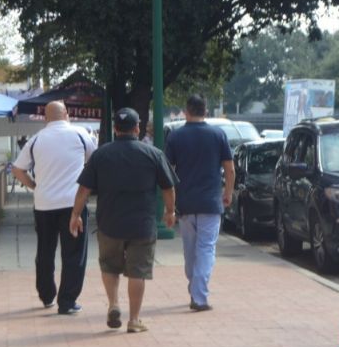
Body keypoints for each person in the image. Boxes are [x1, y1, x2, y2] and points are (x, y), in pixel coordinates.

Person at [69, 108, 177, 333]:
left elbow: (84, 189)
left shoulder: (101, 154)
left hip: (109, 222)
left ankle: (114, 304)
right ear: (137, 128)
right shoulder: (153, 154)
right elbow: (168, 187)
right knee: (138, 271)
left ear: (115, 129)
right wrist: (170, 211)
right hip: (142, 224)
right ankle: (134, 319)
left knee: (110, 265)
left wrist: (75, 215)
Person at [11, 101, 97, 315]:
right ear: (67, 114)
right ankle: (67, 301)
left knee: (45, 250)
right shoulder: (80, 134)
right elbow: (94, 162)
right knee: (74, 253)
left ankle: (47, 294)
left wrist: (33, 185)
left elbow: (18, 169)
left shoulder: (36, 140)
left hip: (43, 204)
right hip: (73, 205)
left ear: (45, 118)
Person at [165, 94, 234, 312]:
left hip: (185, 203)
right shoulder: (218, 135)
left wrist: (170, 205)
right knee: (206, 249)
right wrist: (228, 193)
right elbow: (230, 169)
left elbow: (168, 172)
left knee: (190, 251)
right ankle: (199, 296)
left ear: (186, 111)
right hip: (211, 202)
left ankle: (195, 287)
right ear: (206, 110)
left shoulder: (175, 137)